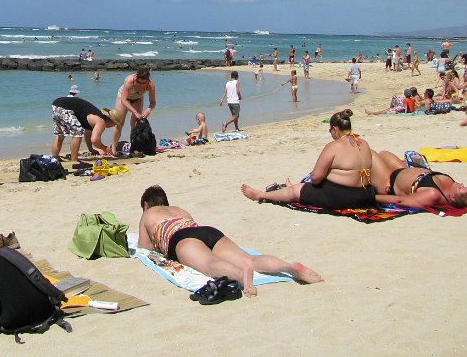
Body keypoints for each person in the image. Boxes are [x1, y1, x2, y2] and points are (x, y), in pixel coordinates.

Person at [137, 185, 322, 298]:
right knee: (250, 259)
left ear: (146, 205)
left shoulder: (148, 214)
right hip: (207, 231)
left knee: (211, 265)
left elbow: (144, 248)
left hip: (182, 239)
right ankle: (289, 267)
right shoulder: (179, 210)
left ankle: (241, 275)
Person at [241, 109, 375, 209]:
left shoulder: (334, 146)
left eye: (330, 131)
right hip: (365, 195)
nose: (331, 134)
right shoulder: (363, 143)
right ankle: (291, 187)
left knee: (295, 191)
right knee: (302, 187)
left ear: (335, 129)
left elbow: (316, 178)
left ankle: (260, 195)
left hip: (344, 197)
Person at [370, 150, 467, 210]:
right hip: (402, 171)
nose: (460, 183)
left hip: (389, 182)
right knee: (385, 153)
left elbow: (401, 200)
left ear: (453, 197)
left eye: (460, 187)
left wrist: (369, 196)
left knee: (368, 152)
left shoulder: (433, 194)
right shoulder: (451, 185)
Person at [50, 96, 123, 159]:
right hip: (64, 107)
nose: (113, 126)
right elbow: (94, 140)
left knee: (61, 135)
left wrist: (90, 149)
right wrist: (105, 148)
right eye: (114, 124)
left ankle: (55, 158)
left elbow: (88, 134)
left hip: (56, 104)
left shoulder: (95, 119)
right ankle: (74, 160)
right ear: (111, 121)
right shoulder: (101, 121)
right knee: (78, 133)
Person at [116, 67, 156, 137]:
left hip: (138, 99)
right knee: (119, 123)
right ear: (136, 77)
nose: (141, 84)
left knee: (135, 123)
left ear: (148, 80)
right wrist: (135, 112)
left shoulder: (150, 85)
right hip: (123, 98)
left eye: (143, 83)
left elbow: (153, 102)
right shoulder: (130, 81)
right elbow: (124, 100)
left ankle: (133, 145)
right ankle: (114, 147)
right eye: (138, 82)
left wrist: (149, 110)